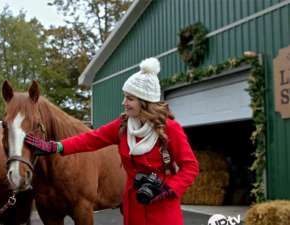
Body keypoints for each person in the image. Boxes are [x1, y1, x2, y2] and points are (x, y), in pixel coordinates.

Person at [25, 57, 199, 225]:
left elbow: (190, 167)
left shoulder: (170, 129)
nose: (124, 102)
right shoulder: (123, 126)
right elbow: (90, 139)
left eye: (130, 98)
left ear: (145, 102)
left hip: (163, 205)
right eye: (125, 97)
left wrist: (167, 189)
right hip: (134, 206)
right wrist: (56, 146)